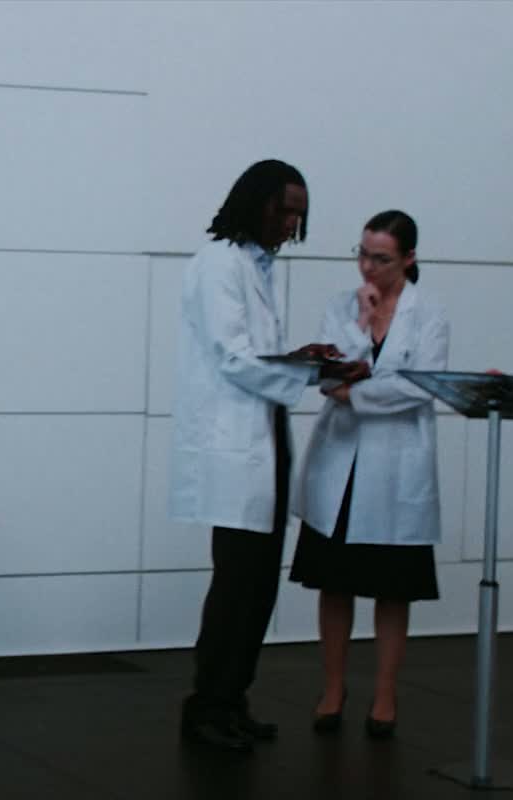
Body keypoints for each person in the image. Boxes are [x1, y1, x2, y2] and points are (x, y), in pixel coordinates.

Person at [169, 159, 363, 753]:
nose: (291, 224)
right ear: (255, 203)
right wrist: (306, 370)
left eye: (299, 215)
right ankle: (207, 706)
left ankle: (233, 699)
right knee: (235, 585)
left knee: (257, 587)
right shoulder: (217, 264)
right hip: (233, 447)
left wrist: (306, 361)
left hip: (264, 436)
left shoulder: (256, 266)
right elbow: (234, 357)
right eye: (284, 211)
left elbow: (258, 357)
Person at [289, 210, 448, 739]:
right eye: (362, 254)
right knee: (334, 586)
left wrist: (355, 394)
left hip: (396, 466)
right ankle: (333, 688)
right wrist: (361, 325)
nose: (368, 267)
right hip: (342, 461)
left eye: (381, 258)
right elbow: (327, 373)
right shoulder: (342, 306)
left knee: (391, 589)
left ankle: (384, 694)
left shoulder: (429, 314)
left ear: (408, 258)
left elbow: (419, 387)